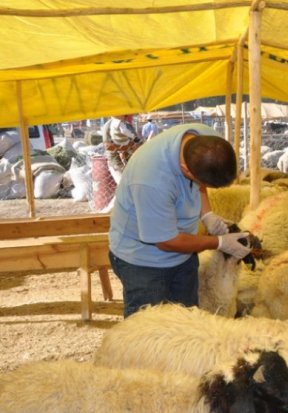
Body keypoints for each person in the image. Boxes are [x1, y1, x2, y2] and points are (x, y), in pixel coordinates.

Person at [108, 123, 251, 318]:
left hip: (183, 254)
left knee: (184, 324)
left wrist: (207, 214)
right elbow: (167, 241)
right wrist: (219, 243)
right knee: (150, 330)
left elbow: (200, 182)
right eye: (202, 183)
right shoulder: (152, 180)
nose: (202, 187)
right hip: (143, 260)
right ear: (186, 170)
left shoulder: (210, 144)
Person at [102, 115, 141, 184]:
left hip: (130, 160)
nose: (125, 116)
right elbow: (108, 146)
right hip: (116, 161)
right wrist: (122, 149)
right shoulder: (108, 126)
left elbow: (136, 143)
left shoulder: (128, 125)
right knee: (123, 184)